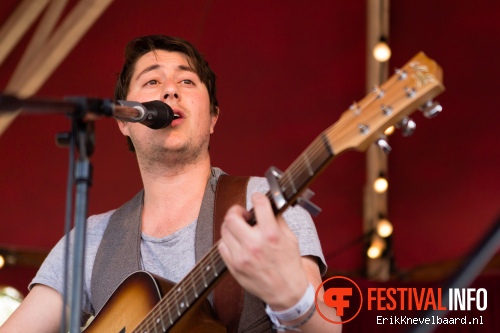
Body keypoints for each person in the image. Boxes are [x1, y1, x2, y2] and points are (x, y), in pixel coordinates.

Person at [0, 35, 341, 332]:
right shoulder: (90, 241)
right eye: (151, 82)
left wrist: (291, 298)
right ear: (123, 120)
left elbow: (329, 326)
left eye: (188, 82)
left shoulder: (263, 205)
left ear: (212, 118)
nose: (170, 90)